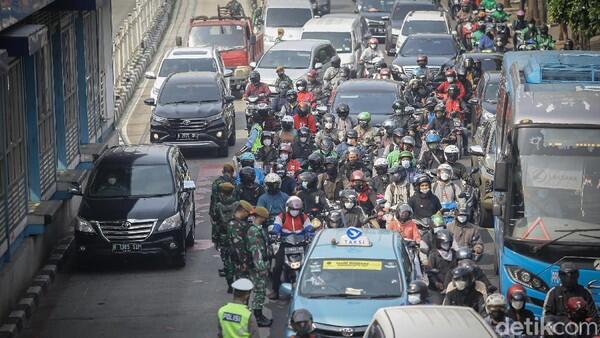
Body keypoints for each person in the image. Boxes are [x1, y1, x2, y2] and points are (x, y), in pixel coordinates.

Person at [270, 197, 313, 299]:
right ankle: (275, 291)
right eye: (293, 209)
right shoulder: (281, 216)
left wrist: (311, 232)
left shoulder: (304, 217)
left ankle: (311, 288)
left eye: (297, 210)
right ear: (288, 208)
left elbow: (309, 227)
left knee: (310, 265)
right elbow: (276, 226)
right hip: (285, 244)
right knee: (277, 267)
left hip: (301, 244)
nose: (295, 211)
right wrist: (275, 232)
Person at [245, 207, 273, 327]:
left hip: (261, 264)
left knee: (260, 290)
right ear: (260, 217)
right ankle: (257, 316)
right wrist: (261, 267)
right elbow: (255, 251)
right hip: (257, 267)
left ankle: (258, 314)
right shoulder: (253, 231)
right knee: (260, 291)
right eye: (264, 218)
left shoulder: (258, 229)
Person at [213, 183, 240, 290]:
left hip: (223, 235)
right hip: (236, 235)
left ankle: (229, 283)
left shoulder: (218, 205)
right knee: (238, 260)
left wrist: (215, 238)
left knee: (226, 260)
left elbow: (215, 220)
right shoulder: (237, 204)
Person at [227, 200, 255, 281]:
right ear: (242, 211)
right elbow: (239, 246)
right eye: (247, 212)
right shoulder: (235, 225)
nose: (247, 215)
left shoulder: (239, 223)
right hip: (239, 260)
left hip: (240, 259)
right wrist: (243, 262)